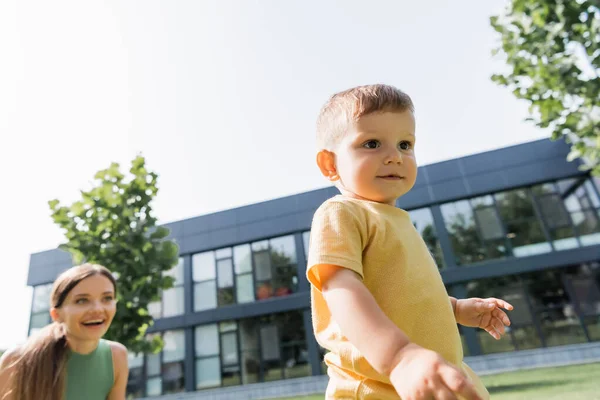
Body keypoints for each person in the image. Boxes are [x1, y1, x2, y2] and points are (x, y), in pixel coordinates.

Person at [307, 84, 514, 400]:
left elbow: (406, 295)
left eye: (405, 144)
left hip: (432, 377)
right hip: (378, 385)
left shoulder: (398, 221)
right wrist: (399, 357)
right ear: (330, 164)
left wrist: (456, 309)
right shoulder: (341, 212)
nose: (394, 156)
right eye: (372, 143)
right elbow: (340, 288)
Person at [0, 263, 129, 400]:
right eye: (82, 300)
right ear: (56, 315)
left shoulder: (117, 357)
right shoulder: (17, 360)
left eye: (107, 298)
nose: (97, 309)